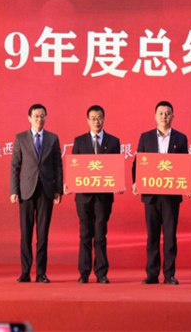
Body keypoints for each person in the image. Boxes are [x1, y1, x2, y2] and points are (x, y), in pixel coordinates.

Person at [132, 101, 191, 285]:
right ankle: (152, 274)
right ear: (155, 116)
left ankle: (169, 274)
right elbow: (138, 163)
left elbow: (184, 165)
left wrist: (188, 184)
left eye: (167, 113)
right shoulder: (146, 137)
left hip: (171, 196)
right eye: (160, 113)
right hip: (151, 195)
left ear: (173, 116)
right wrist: (136, 181)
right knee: (152, 236)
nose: (164, 116)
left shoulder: (180, 138)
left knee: (170, 236)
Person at [66, 105, 121, 284]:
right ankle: (84, 273)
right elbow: (74, 167)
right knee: (84, 234)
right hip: (83, 196)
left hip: (103, 197)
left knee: (100, 234)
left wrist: (118, 183)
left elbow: (116, 168)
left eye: (99, 118)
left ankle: (101, 273)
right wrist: (70, 183)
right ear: (87, 120)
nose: (96, 121)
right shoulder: (79, 141)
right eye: (93, 118)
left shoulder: (113, 141)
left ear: (104, 119)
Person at [10, 104, 63, 283]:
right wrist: (14, 190)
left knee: (42, 234)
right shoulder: (20, 138)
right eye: (36, 116)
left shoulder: (53, 138)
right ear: (29, 118)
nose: (40, 119)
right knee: (26, 234)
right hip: (26, 191)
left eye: (42, 116)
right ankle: (25, 272)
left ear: (46, 117)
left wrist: (58, 190)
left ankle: (41, 273)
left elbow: (58, 166)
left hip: (46, 191)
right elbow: (15, 166)